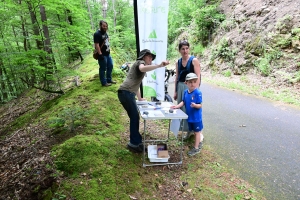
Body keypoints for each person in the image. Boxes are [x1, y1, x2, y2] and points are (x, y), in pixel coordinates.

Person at [118, 49, 170, 153]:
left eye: (152, 57)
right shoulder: (140, 63)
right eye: (149, 56)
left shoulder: (139, 66)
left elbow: (136, 84)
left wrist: (140, 98)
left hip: (126, 93)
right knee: (134, 117)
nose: (151, 59)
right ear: (143, 57)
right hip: (126, 93)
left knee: (134, 117)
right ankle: (134, 143)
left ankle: (136, 141)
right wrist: (159, 65)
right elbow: (142, 69)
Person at [173, 40, 201, 139]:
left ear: (189, 49)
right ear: (179, 50)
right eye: (182, 49)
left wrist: (195, 90)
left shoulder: (194, 60)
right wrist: (175, 91)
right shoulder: (178, 61)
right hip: (180, 86)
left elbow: (198, 76)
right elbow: (177, 76)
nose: (185, 51)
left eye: (186, 48)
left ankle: (194, 130)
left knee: (190, 109)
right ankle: (185, 130)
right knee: (181, 108)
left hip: (190, 87)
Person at [171, 73, 204, 156]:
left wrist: (195, 105)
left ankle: (196, 147)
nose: (192, 84)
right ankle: (193, 136)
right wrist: (177, 106)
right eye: (190, 82)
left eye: (194, 82)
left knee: (197, 132)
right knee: (191, 129)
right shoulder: (186, 92)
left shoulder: (197, 92)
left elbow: (200, 105)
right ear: (186, 83)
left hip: (196, 118)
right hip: (189, 116)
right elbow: (183, 101)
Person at [93, 20, 116, 86]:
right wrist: (100, 54)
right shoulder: (97, 34)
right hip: (102, 55)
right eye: (103, 26)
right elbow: (96, 45)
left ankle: (109, 79)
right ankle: (104, 82)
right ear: (100, 26)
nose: (105, 27)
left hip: (107, 54)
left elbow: (107, 40)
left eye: (106, 26)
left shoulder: (105, 33)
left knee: (110, 66)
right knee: (103, 68)